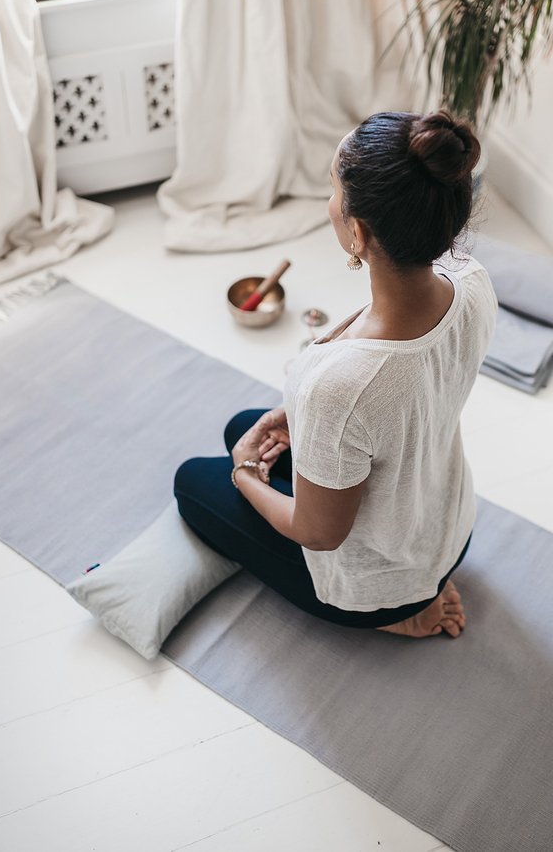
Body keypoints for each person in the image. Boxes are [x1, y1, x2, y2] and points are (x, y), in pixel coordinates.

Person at [175, 110, 497, 637]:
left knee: (191, 481)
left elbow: (318, 534)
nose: (328, 204)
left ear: (358, 230)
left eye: (332, 190)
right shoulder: (472, 280)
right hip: (446, 526)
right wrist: (295, 413)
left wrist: (242, 473)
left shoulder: (341, 386)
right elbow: (398, 400)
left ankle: (400, 613)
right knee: (243, 425)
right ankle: (427, 579)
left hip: (380, 583)